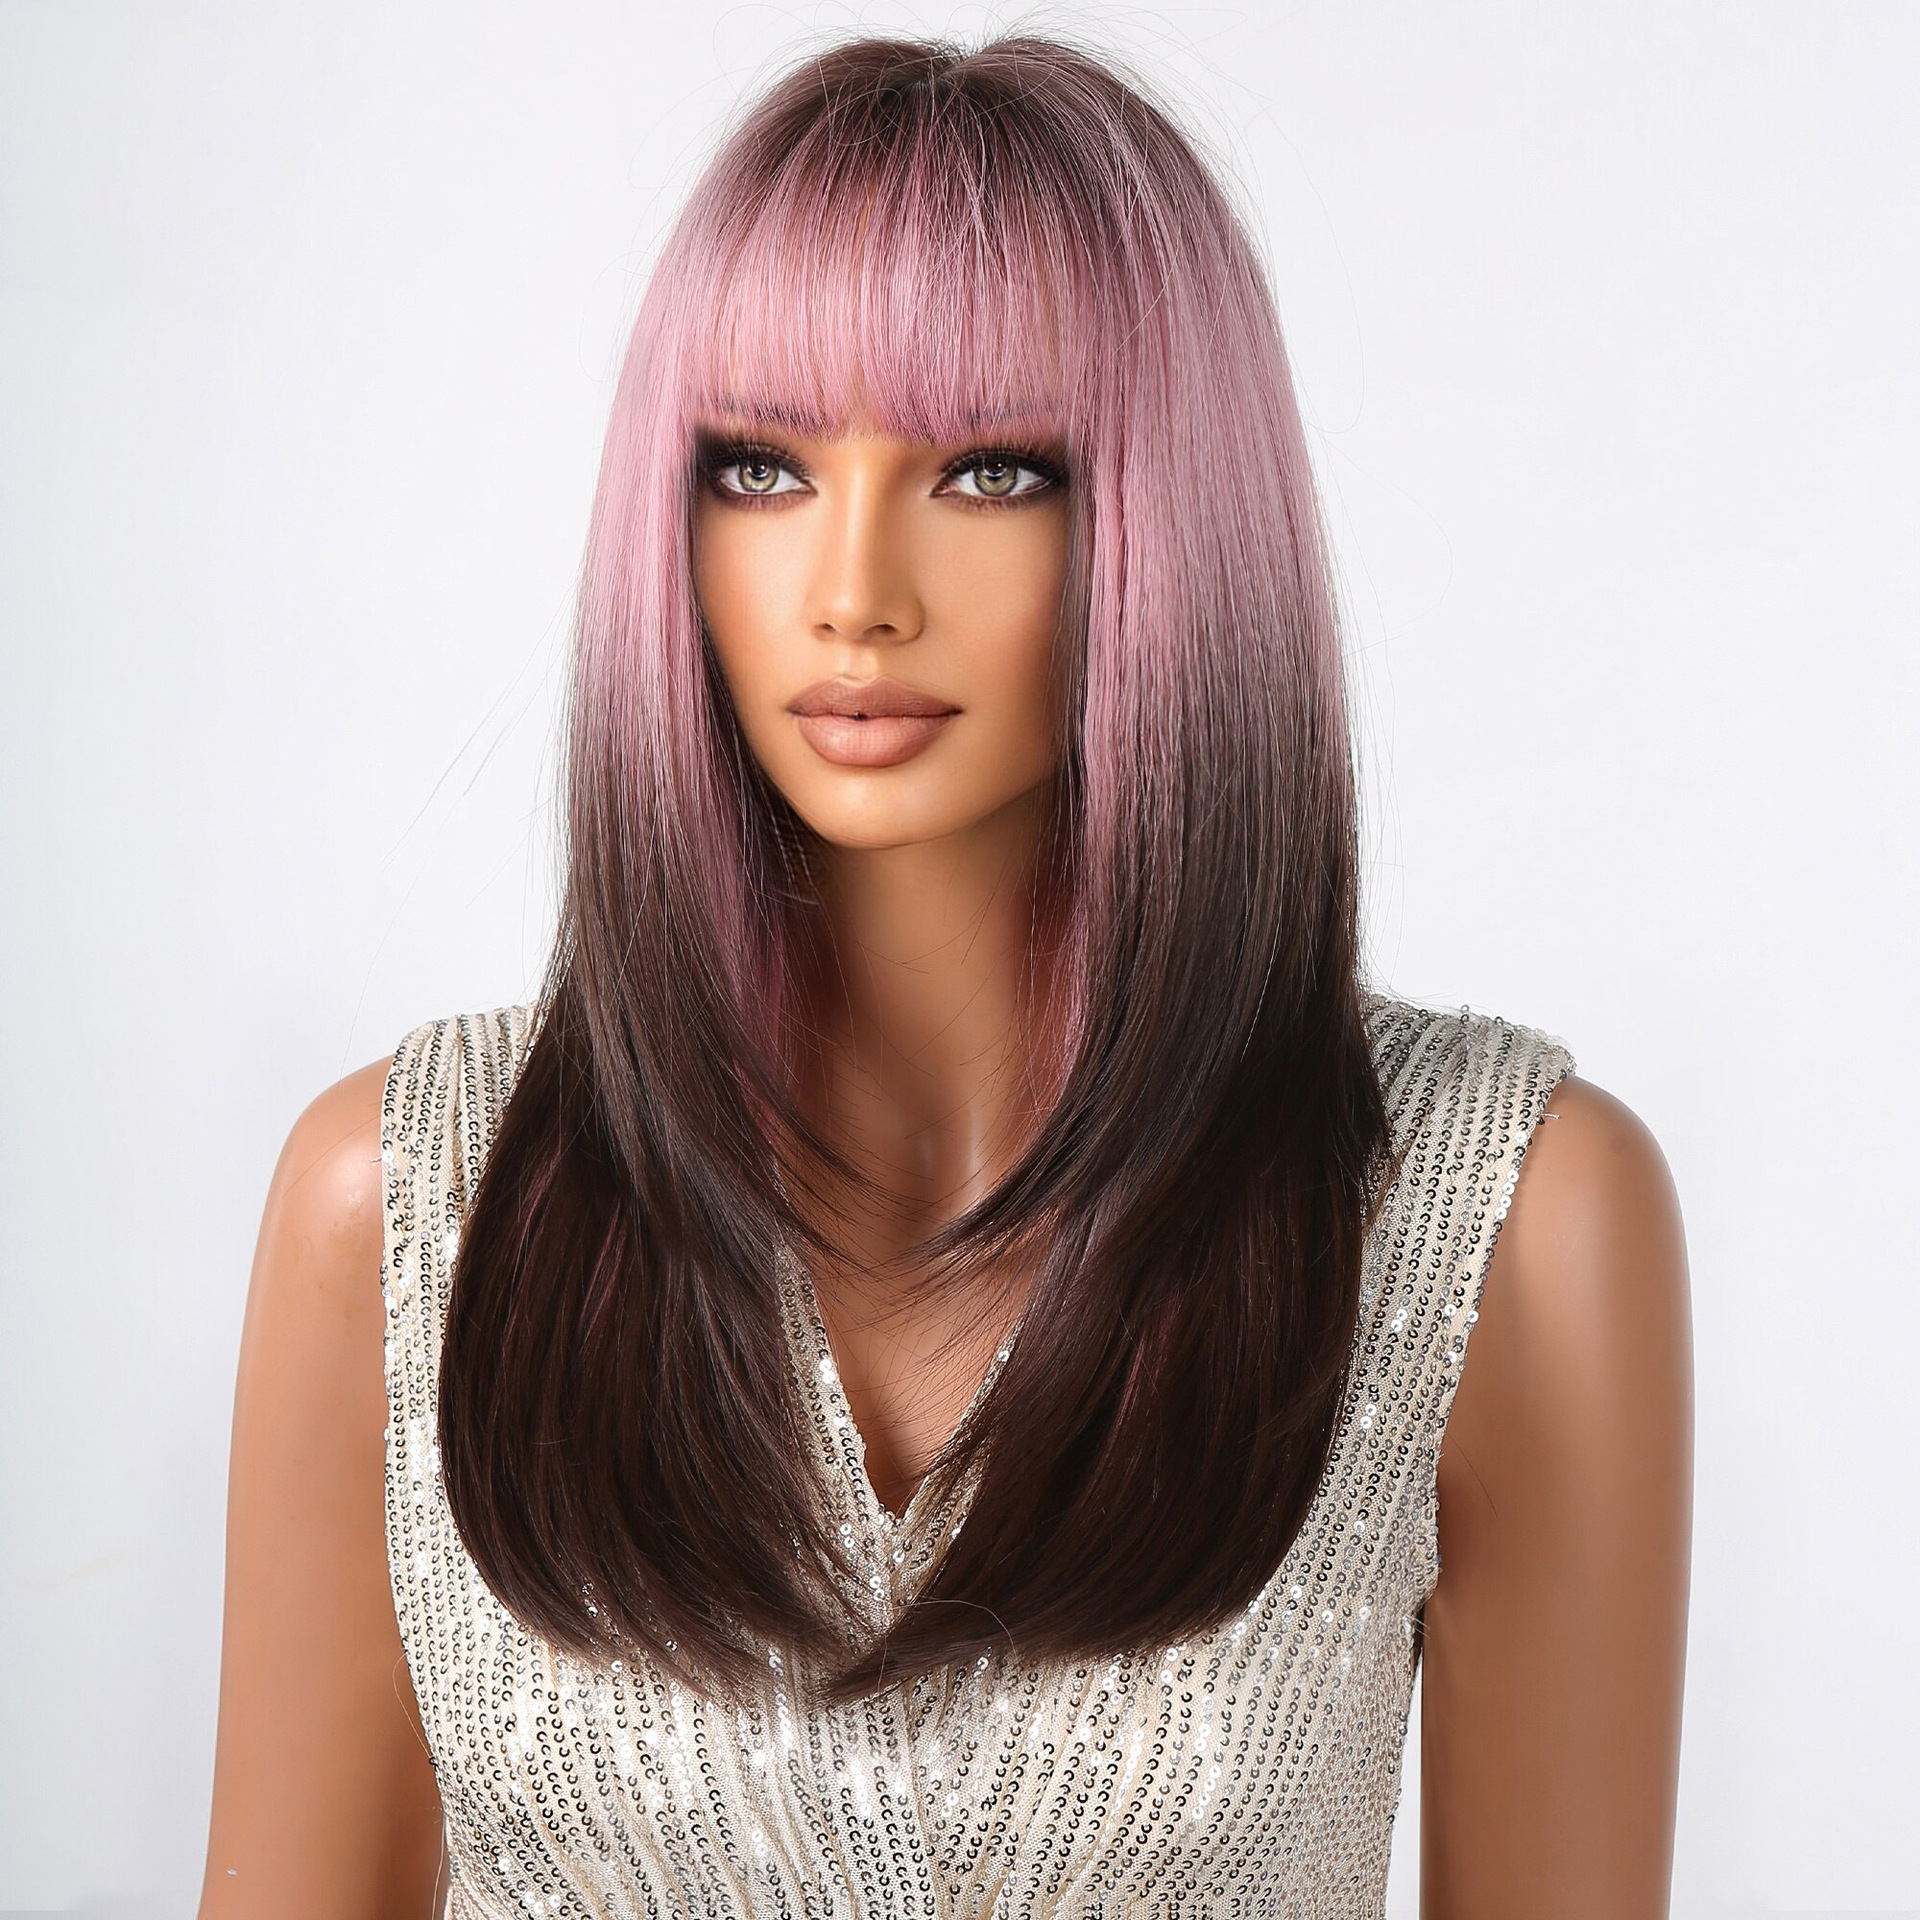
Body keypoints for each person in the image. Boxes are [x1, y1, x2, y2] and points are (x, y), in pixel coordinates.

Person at [197, 31, 1692, 1920]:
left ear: (1173, 518)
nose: (853, 589)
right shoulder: (407, 1203)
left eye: (991, 472)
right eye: (759, 466)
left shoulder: (1502, 1220)